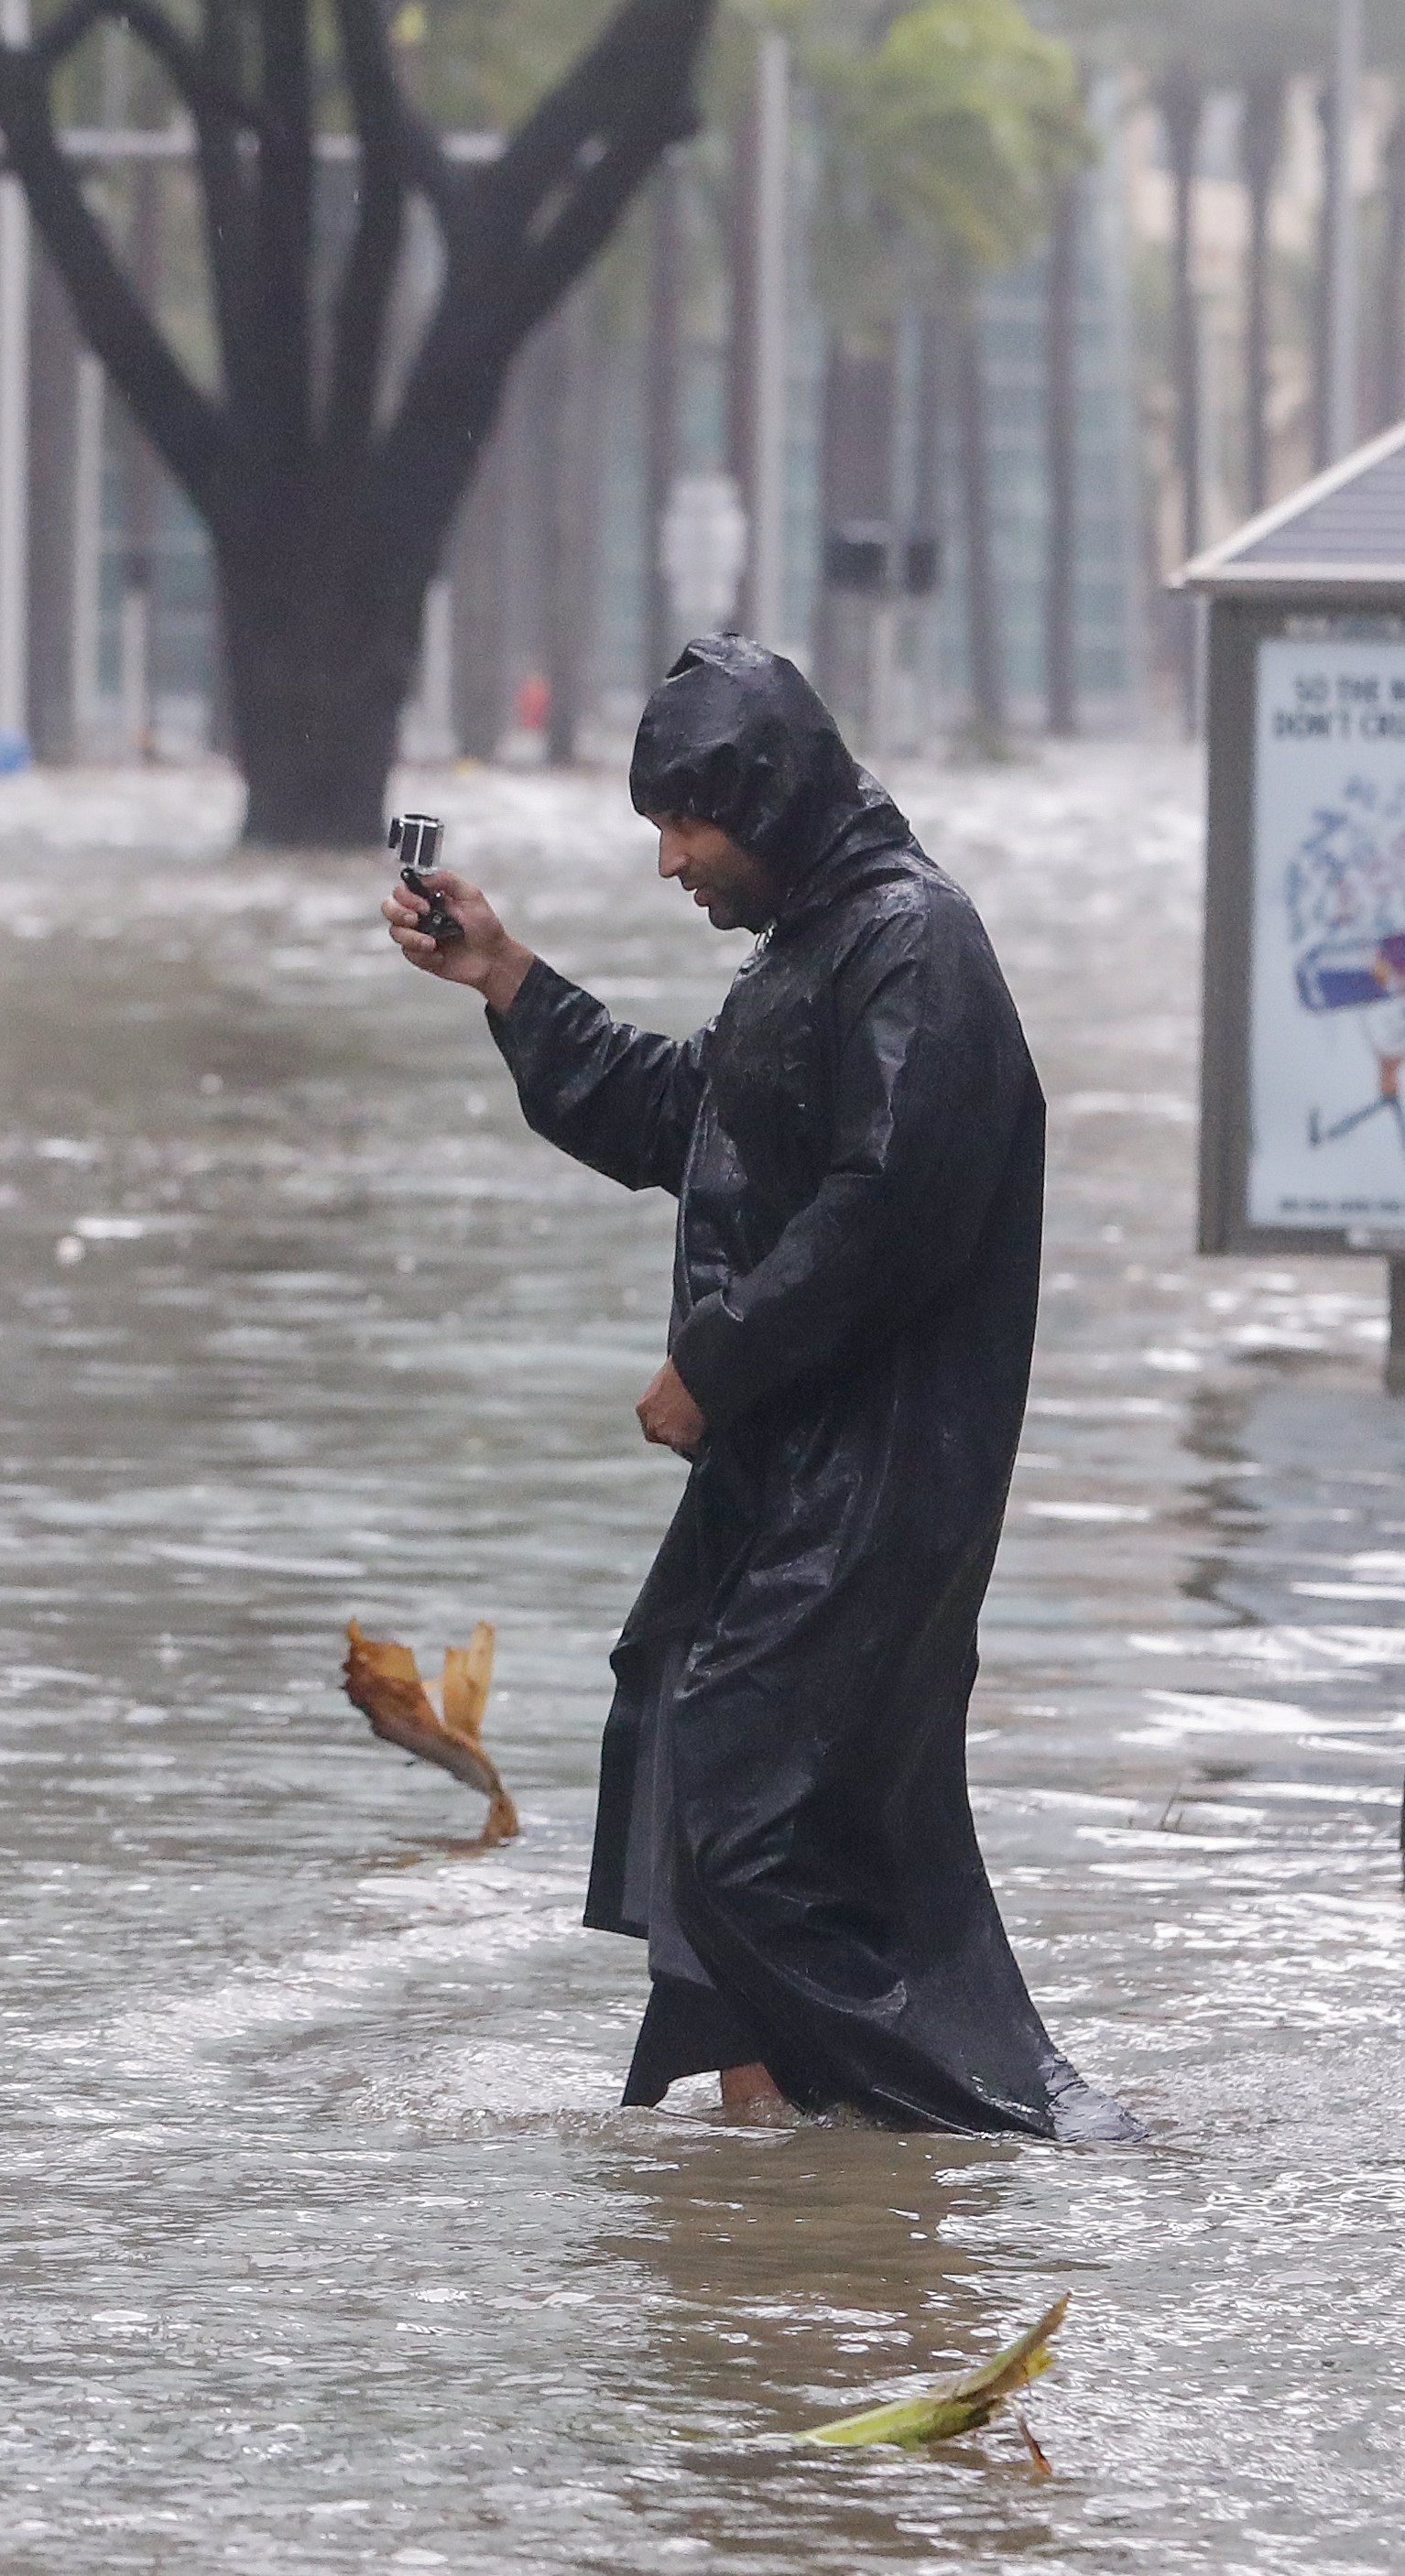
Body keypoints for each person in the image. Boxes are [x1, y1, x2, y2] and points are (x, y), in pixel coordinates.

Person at [386, 636, 1136, 2141]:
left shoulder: (912, 942)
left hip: (879, 1479)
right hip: (800, 1473)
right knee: (701, 1737)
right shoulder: (813, 946)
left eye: (685, 823)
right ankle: (781, 2135)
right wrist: (505, 977)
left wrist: (709, 1368)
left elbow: (887, 1208)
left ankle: (975, 2123)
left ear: (772, 798)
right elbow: (691, 1116)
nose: (667, 859)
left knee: (740, 1797)